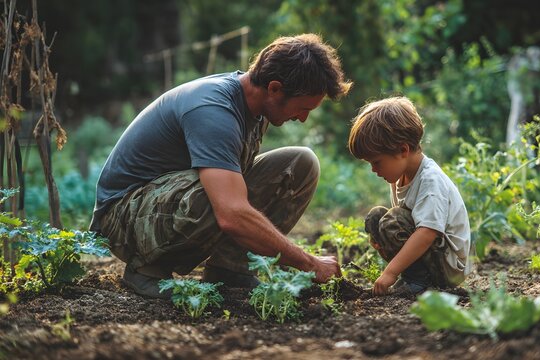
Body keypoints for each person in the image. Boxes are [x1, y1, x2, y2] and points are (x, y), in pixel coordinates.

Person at [90, 34, 352, 299]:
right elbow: (231, 214)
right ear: (274, 89)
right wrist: (309, 264)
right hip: (123, 218)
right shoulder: (214, 110)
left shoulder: (256, 107)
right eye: (303, 108)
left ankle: (230, 270)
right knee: (220, 197)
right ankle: (147, 269)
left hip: (161, 202)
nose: (304, 119)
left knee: (300, 164)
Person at [347, 96, 474, 296]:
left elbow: (426, 233)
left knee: (391, 220)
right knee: (376, 218)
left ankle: (417, 282)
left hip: (449, 267)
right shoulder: (400, 177)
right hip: (433, 255)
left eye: (377, 162)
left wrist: (390, 272)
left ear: (403, 150)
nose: (373, 169)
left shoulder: (430, 180)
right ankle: (414, 278)